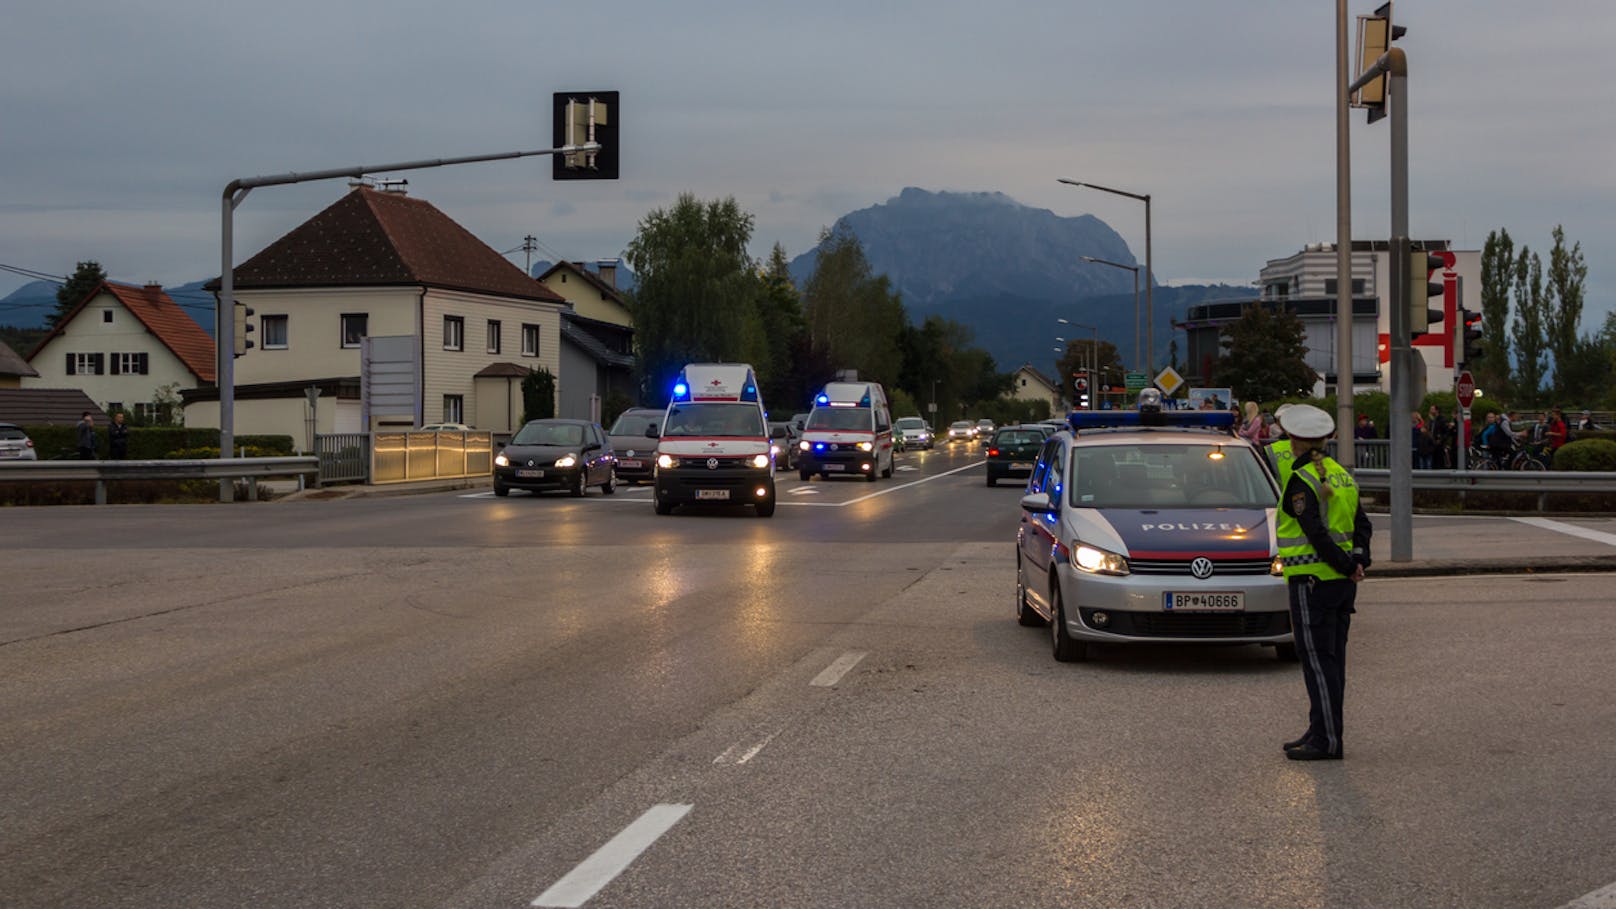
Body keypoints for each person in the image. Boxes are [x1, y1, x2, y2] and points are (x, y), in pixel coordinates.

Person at [1275, 403, 1372, 761]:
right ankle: (1320, 729)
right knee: (1331, 661)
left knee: (1317, 661)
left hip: (1311, 582)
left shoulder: (1302, 479)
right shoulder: (1340, 474)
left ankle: (1327, 740)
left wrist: (1347, 564)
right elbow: (1363, 525)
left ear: (1292, 441)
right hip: (1341, 584)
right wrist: (1359, 560)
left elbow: (1314, 531)